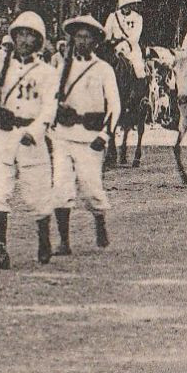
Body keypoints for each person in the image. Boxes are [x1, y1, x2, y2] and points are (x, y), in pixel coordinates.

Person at [0, 12, 59, 269]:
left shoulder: (46, 72)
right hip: (5, 137)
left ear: (39, 41)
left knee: (38, 196)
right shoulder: (3, 67)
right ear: (13, 37)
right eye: (21, 34)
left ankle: (44, 239)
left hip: (31, 138)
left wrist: (34, 131)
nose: (25, 40)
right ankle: (1, 249)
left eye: (31, 36)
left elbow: (50, 108)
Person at [51, 14, 121, 256]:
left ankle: (100, 222)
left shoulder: (103, 69)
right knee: (61, 188)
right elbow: (51, 99)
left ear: (95, 42)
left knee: (91, 189)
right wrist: (56, 109)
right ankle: (63, 240)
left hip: (90, 138)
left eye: (87, 37)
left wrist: (105, 134)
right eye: (78, 36)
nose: (81, 41)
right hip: (63, 135)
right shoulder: (63, 67)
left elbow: (114, 105)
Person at [103, 0, 148, 81]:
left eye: (129, 4)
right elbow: (106, 33)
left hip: (131, 48)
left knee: (138, 68)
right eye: (125, 5)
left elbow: (135, 37)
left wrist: (124, 45)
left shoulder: (137, 18)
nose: (127, 7)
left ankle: (138, 91)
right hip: (114, 47)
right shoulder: (113, 17)